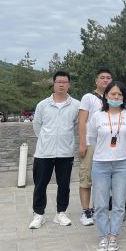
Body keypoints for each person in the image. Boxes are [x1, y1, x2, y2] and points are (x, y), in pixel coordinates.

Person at [87, 81, 126, 251]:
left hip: (123, 163)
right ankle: (103, 235)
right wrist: (104, 152)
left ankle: (113, 235)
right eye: (112, 94)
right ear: (106, 95)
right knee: (100, 203)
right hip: (100, 163)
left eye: (119, 94)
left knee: (119, 203)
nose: (116, 97)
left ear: (124, 97)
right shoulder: (97, 116)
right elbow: (92, 139)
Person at [29, 71, 80, 229]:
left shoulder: (76, 105)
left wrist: (66, 139)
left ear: (69, 84)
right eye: (59, 82)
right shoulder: (43, 105)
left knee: (64, 185)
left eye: (65, 82)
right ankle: (38, 214)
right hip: (44, 152)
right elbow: (37, 126)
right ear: (54, 83)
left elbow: (77, 126)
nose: (61, 84)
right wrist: (47, 140)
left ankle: (61, 213)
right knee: (40, 185)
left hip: (65, 152)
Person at [78, 68, 113, 226]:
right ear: (96, 80)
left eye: (108, 78)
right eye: (102, 77)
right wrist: (82, 143)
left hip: (108, 145)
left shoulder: (114, 97)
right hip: (91, 143)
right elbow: (82, 121)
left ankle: (100, 210)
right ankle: (86, 211)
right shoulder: (88, 98)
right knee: (86, 178)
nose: (105, 80)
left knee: (104, 180)